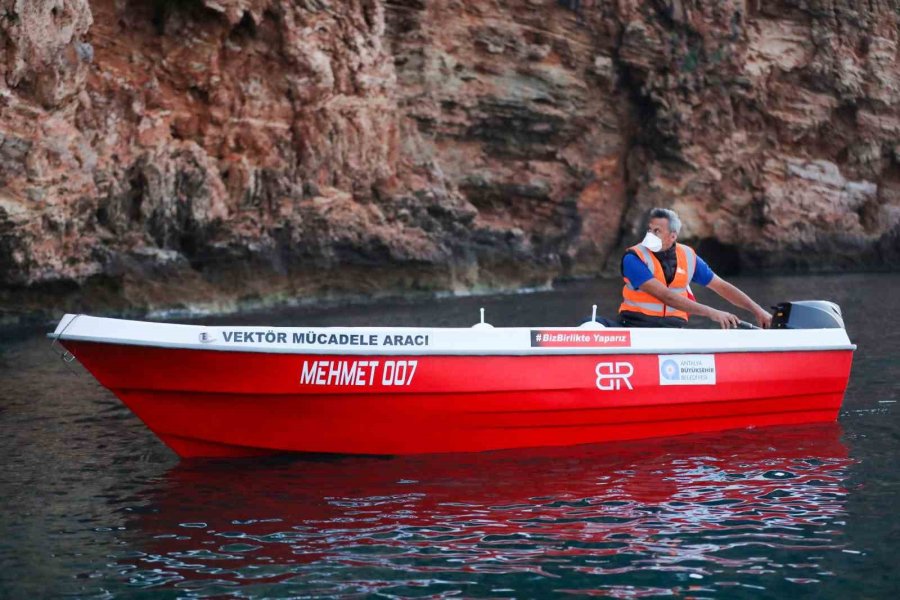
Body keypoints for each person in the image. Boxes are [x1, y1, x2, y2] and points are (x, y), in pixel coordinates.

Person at [619, 208, 773, 329]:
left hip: (674, 328)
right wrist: (711, 312)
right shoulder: (634, 258)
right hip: (637, 326)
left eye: (657, 231)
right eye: (650, 230)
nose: (650, 235)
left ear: (673, 236)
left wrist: (758, 311)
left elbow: (722, 287)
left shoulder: (688, 257)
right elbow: (666, 296)